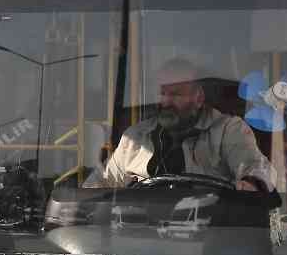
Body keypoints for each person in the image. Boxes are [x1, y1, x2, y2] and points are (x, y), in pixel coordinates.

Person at [100, 59, 275, 192]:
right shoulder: (135, 138)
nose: (166, 102)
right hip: (139, 232)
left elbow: (258, 168)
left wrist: (251, 183)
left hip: (210, 231)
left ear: (198, 98)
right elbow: (102, 183)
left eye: (175, 94)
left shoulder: (228, 130)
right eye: (162, 93)